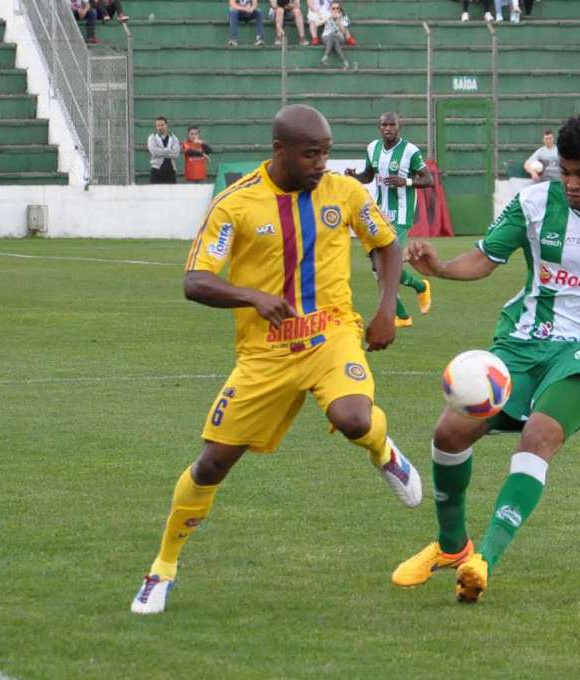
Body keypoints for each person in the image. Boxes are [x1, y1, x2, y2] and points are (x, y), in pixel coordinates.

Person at [130, 104, 423, 615]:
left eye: (327, 153)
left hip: (331, 334)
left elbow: (387, 244)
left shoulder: (345, 192)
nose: (321, 164)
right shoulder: (236, 204)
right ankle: (162, 569)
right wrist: (252, 297)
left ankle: (383, 451)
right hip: (265, 354)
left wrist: (383, 310)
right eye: (312, 154)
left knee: (354, 418)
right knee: (211, 465)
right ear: (280, 151)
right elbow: (195, 281)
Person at [393, 113, 580, 604]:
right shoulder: (530, 204)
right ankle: (451, 547)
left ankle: (484, 558)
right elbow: (485, 258)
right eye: (564, 172)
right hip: (521, 343)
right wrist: (440, 268)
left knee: (539, 435)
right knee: (448, 432)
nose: (570, 183)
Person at [346, 112, 434, 328]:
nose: (387, 128)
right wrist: (354, 176)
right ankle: (406, 310)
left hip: (401, 216)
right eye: (383, 125)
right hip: (379, 214)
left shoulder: (410, 151)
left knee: (387, 264)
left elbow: (428, 179)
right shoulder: (372, 148)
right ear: (379, 128)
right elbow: (368, 175)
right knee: (378, 268)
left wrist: (406, 181)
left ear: (399, 126)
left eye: (391, 124)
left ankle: (407, 308)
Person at [319, 2, 352, 68]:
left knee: (333, 36)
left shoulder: (344, 17)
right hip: (326, 37)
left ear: (340, 9)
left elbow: (343, 31)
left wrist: (338, 20)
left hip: (340, 37)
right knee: (333, 38)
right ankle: (345, 62)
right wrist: (328, 18)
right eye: (333, 8)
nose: (335, 10)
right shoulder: (326, 15)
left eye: (337, 8)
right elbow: (318, 24)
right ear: (330, 9)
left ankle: (325, 57)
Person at [147, 117, 179, 184]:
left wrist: (161, 151)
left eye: (162, 125)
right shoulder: (152, 137)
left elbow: (176, 153)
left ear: (166, 125)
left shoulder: (173, 138)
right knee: (154, 193)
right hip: (156, 170)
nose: (160, 127)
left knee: (171, 193)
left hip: (171, 170)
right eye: (158, 125)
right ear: (156, 126)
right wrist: (168, 150)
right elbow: (154, 152)